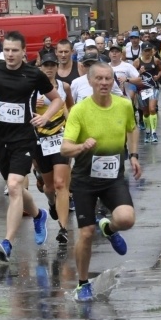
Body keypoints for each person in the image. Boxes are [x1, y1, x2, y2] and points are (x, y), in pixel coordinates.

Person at [0, 31, 64, 262]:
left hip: (24, 138)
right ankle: (39, 214)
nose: (11, 54)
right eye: (8, 50)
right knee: (17, 190)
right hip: (1, 139)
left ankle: (8, 242)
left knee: (14, 186)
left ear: (24, 52)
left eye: (15, 50)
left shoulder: (34, 74)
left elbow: (58, 99)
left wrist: (45, 118)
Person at [61, 62, 142, 302]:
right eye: (100, 79)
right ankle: (83, 283)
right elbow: (65, 148)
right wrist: (81, 146)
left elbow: (133, 129)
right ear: (90, 81)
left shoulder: (124, 105)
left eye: (109, 79)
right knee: (85, 233)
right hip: (85, 179)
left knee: (126, 219)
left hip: (112, 177)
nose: (105, 83)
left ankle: (109, 227)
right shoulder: (79, 110)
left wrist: (134, 155)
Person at [33, 52, 74, 244]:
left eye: (53, 65)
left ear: (57, 67)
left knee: (60, 184)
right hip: (39, 140)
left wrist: (73, 135)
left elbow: (69, 109)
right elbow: (22, 109)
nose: (49, 69)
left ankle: (63, 229)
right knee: (49, 187)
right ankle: (51, 203)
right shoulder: (32, 87)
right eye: (46, 65)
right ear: (41, 67)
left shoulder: (64, 86)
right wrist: (33, 103)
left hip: (60, 138)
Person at [134, 42, 161, 143]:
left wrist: (158, 76)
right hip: (142, 89)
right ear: (142, 51)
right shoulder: (137, 62)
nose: (148, 53)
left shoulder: (155, 60)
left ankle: (154, 133)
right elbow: (133, 77)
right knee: (145, 112)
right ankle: (147, 132)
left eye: (149, 50)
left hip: (153, 88)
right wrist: (139, 73)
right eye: (146, 51)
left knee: (152, 109)